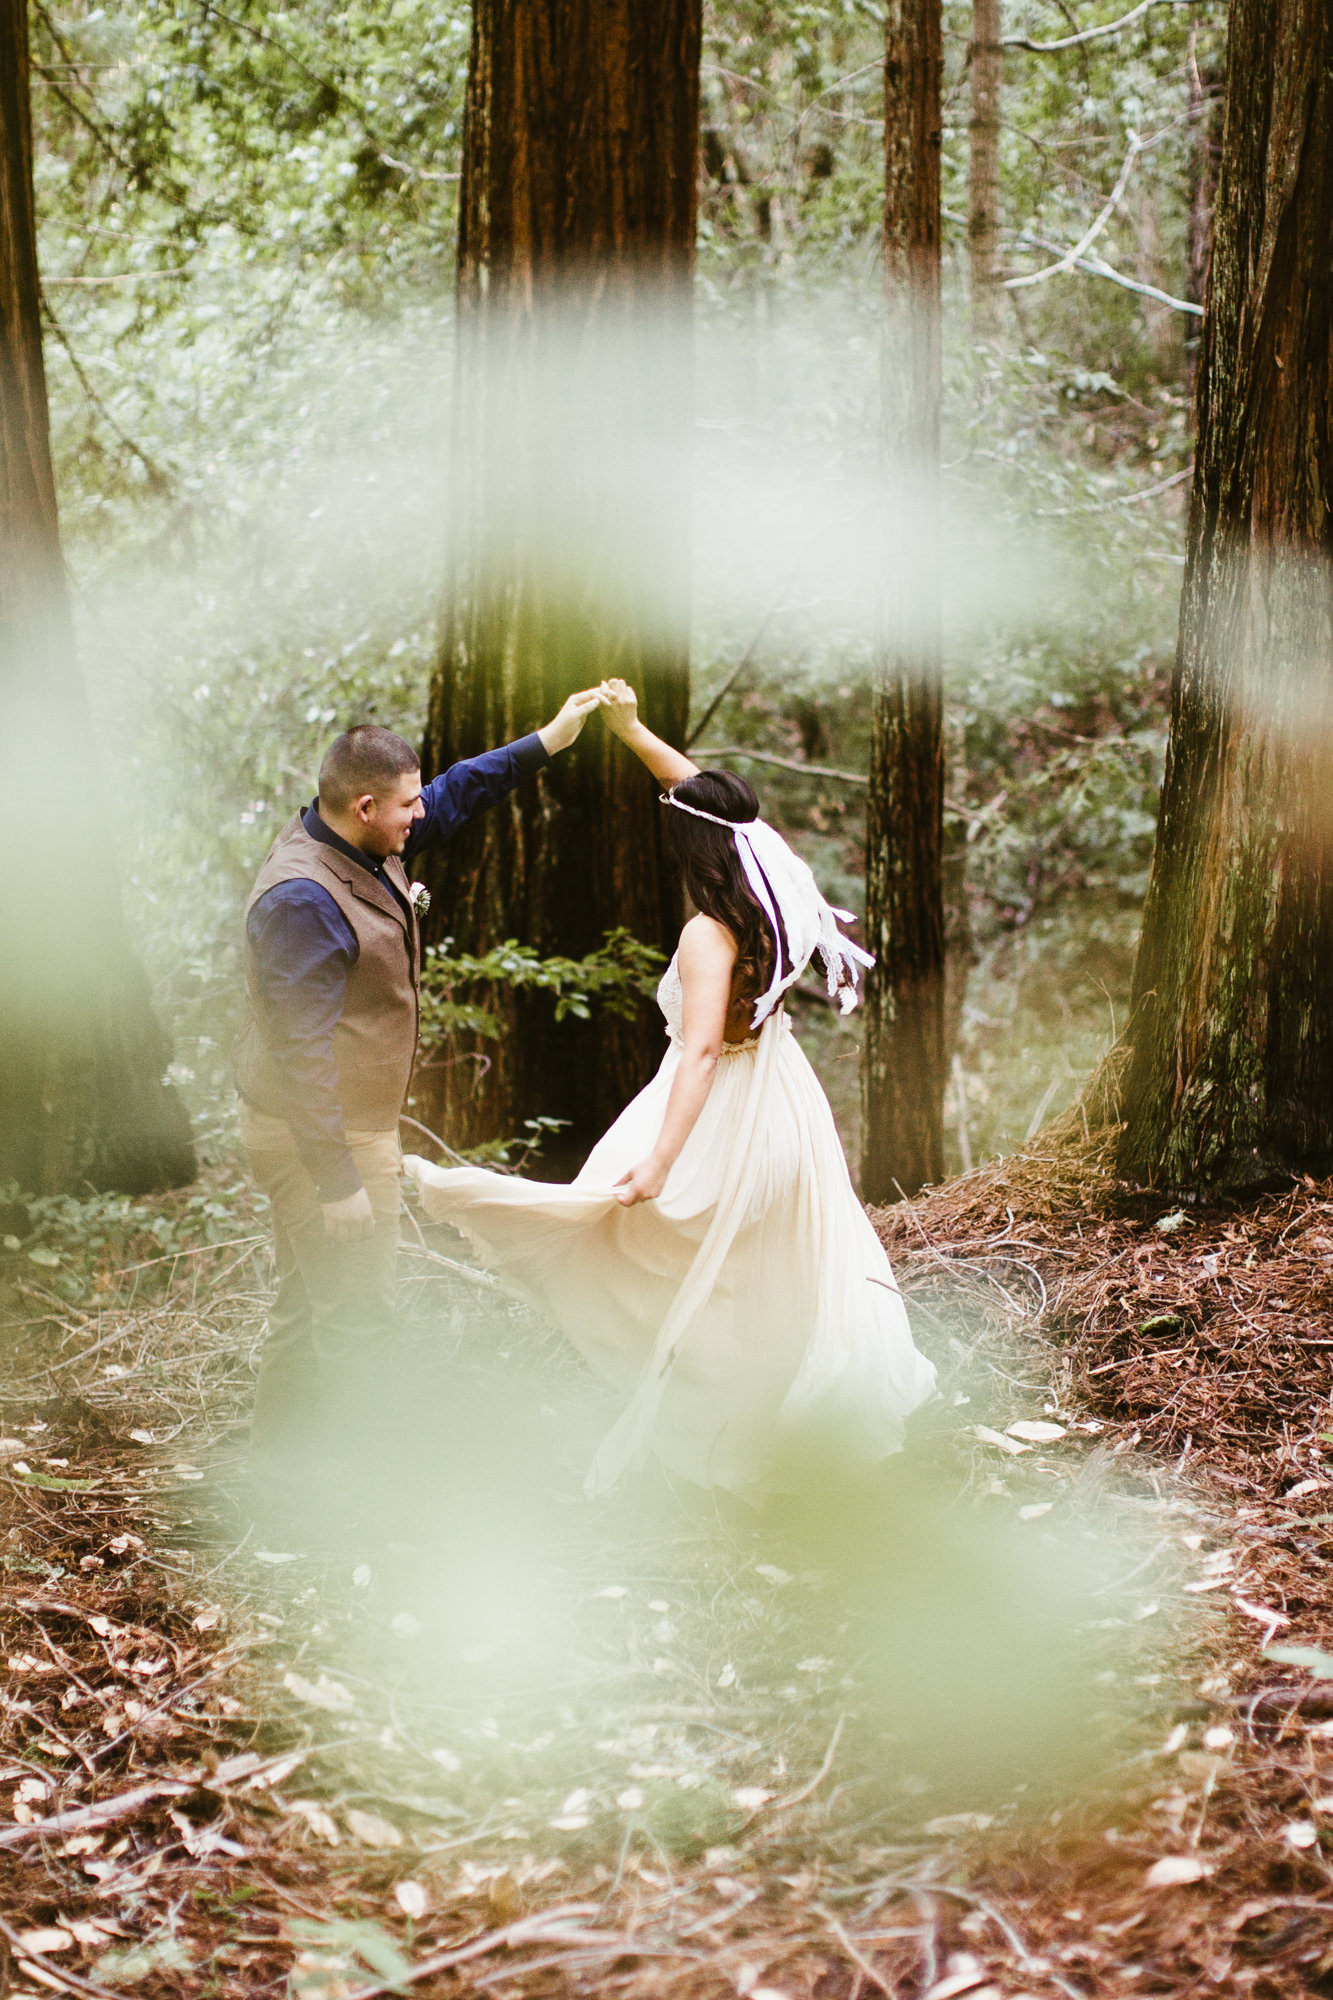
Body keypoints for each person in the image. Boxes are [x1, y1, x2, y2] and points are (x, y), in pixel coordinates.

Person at [406, 679, 937, 1499]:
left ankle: (723, 1422)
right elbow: (717, 808)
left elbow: (695, 1055)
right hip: (782, 1095)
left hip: (718, 1101)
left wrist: (659, 1160)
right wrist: (630, 732)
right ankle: (772, 1405)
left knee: (624, 1235)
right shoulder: (778, 888)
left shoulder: (707, 933)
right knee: (758, 1264)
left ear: (688, 850)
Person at [236, 691, 603, 1483]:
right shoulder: (303, 899)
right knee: (359, 1320)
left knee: (311, 1307)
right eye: (407, 805)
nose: (419, 815)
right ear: (364, 806)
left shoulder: (359, 838)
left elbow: (458, 790)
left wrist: (548, 737)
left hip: (337, 1129)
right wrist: (337, 1181)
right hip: (321, 1138)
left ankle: (275, 1479)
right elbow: (300, 1056)